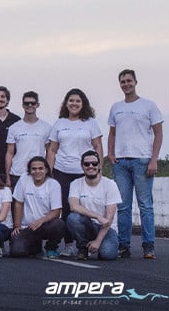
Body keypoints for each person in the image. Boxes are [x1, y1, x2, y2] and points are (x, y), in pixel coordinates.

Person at [108, 69, 163, 259]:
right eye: (122, 81)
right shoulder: (116, 107)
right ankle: (124, 245)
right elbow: (112, 133)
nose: (126, 84)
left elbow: (158, 133)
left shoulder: (149, 106)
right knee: (123, 206)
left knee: (145, 205)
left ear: (135, 82)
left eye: (129, 81)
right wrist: (111, 154)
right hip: (121, 162)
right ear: (120, 84)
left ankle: (148, 246)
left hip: (142, 160)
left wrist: (154, 159)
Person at [47, 88, 103, 257]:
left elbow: (98, 146)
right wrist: (50, 173)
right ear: (66, 103)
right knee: (65, 208)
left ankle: (85, 244)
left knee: (81, 210)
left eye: (78, 101)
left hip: (84, 172)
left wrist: (98, 168)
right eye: (71, 100)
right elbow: (52, 150)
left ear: (83, 103)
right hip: (62, 171)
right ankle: (69, 244)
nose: (74, 104)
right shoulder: (59, 123)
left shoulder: (90, 123)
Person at [67, 151, 121, 261]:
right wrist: (97, 216)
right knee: (73, 218)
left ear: (99, 165)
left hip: (106, 228)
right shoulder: (75, 183)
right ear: (82, 166)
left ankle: (98, 245)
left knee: (107, 254)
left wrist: (98, 241)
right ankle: (83, 248)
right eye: (87, 164)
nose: (90, 166)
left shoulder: (110, 185)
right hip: (88, 225)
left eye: (94, 163)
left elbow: (108, 219)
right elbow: (74, 206)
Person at [9, 156, 66, 258]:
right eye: (34, 169)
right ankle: (35, 247)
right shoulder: (24, 179)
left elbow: (56, 211)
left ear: (46, 170)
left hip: (46, 225)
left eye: (40, 168)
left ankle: (51, 248)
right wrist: (17, 226)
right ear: (30, 171)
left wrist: (40, 221)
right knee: (17, 252)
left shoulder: (53, 184)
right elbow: (18, 203)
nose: (37, 171)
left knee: (59, 224)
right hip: (27, 227)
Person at [5, 91, 51, 188]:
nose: (29, 105)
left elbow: (49, 152)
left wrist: (48, 173)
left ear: (37, 105)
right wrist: (7, 176)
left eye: (33, 103)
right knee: (17, 202)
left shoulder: (46, 127)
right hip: (17, 173)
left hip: (38, 173)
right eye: (26, 103)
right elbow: (10, 153)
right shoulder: (14, 127)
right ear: (22, 105)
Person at [0, 86, 21, 178]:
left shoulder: (16, 120)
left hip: (13, 167)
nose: (0, 99)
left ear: (7, 100)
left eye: (3, 96)